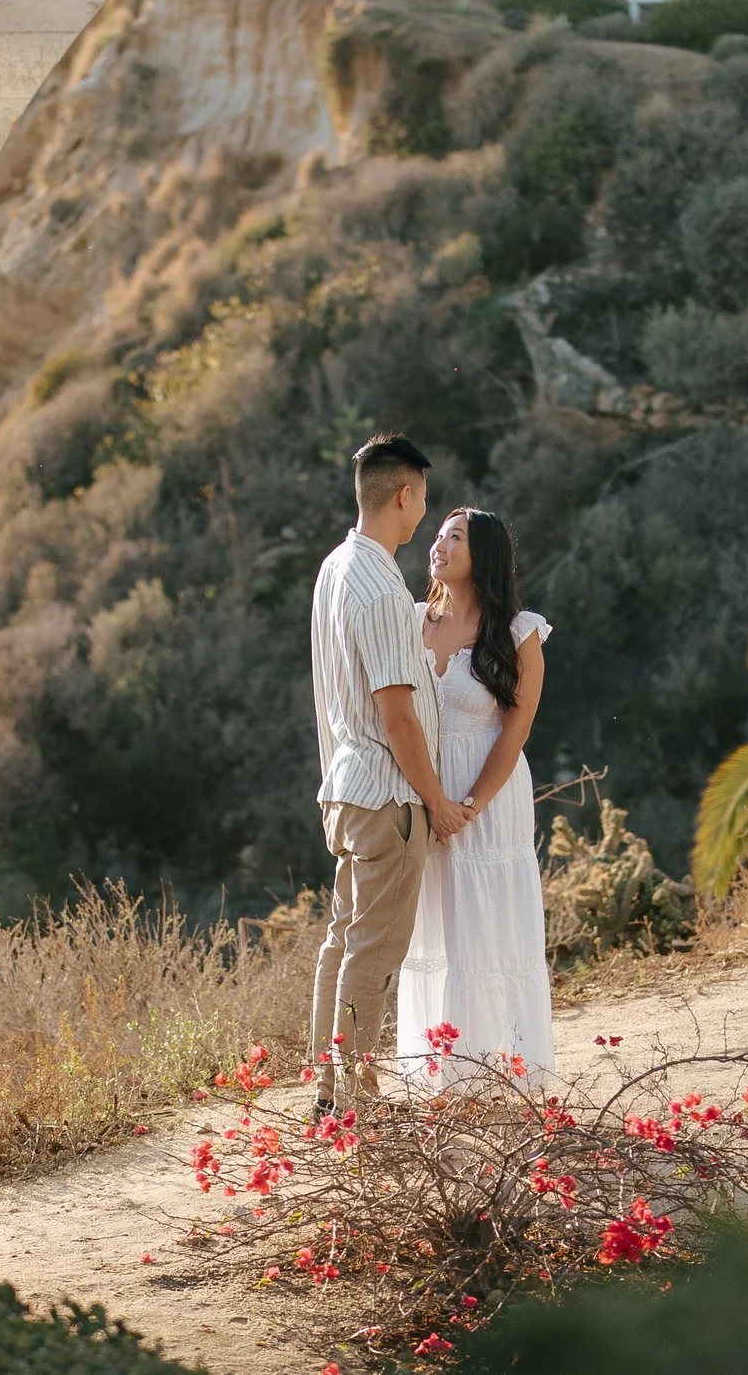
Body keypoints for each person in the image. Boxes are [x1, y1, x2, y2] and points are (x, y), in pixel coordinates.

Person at [306, 433, 469, 1114]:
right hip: (386, 796)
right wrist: (435, 801)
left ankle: (327, 1093)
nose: (421, 514)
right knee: (371, 955)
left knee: (342, 943)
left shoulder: (335, 568)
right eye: (422, 499)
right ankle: (352, 1106)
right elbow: (397, 716)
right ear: (403, 494)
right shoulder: (379, 587)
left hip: (346, 786)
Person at [396, 507, 556, 1089]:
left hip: (487, 801)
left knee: (487, 930)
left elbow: (515, 732)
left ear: (481, 553)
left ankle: (499, 1077)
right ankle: (438, 1077)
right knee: (434, 932)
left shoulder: (519, 632)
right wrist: (433, 801)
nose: (438, 545)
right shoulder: (412, 621)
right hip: (424, 796)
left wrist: (469, 806)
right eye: (438, 535)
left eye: (454, 537)